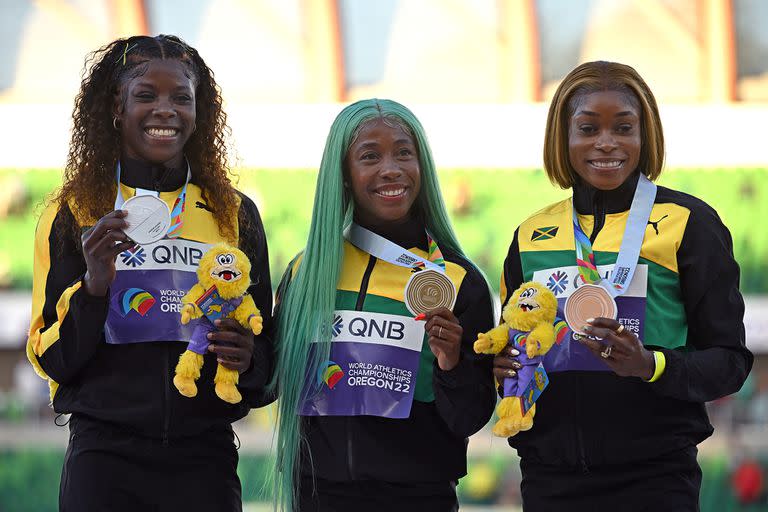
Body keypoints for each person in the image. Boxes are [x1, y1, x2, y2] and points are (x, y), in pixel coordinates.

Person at [25, 35, 273, 511]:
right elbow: (50, 359)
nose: (166, 110)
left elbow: (266, 358)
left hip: (205, 460)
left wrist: (249, 358)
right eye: (146, 95)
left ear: (199, 113)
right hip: (104, 462)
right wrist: (95, 288)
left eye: (182, 97)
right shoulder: (74, 212)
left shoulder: (233, 216)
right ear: (116, 107)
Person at [493, 60, 753, 511]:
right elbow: (516, 345)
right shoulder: (530, 234)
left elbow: (730, 361)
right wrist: (504, 369)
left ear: (644, 136)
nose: (606, 143)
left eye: (624, 127)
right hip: (550, 480)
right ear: (565, 137)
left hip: (655, 479)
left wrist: (649, 364)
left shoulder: (689, 224)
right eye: (588, 128)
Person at [267, 99, 496, 511]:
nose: (390, 168)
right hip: (318, 494)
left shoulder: (459, 280)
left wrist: (450, 363)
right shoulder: (306, 272)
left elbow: (469, 418)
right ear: (343, 174)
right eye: (370, 156)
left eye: (404, 153)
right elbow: (268, 382)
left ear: (421, 165)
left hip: (418, 497)